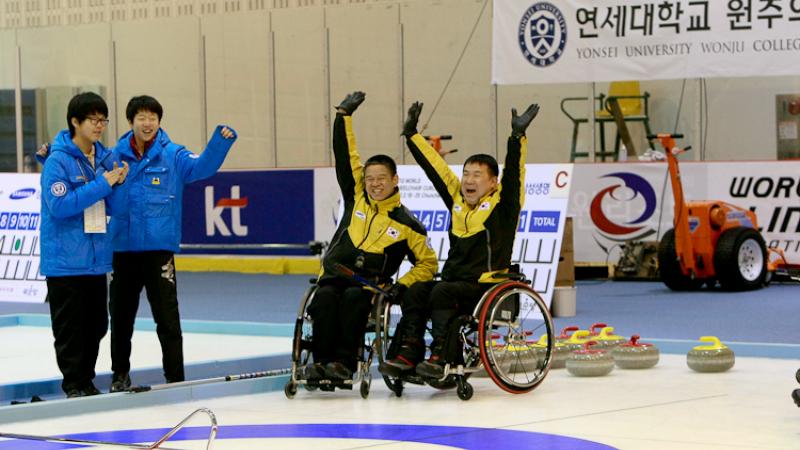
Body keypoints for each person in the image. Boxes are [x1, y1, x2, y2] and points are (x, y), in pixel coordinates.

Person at [379, 101, 540, 379]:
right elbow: (437, 169)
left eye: (477, 175)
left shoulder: (504, 207)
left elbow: (514, 174)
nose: (469, 179)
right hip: (454, 282)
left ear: (492, 183)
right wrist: (411, 134)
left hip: (484, 286)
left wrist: (516, 138)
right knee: (416, 290)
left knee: (442, 293)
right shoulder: (458, 201)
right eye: (466, 173)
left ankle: (442, 356)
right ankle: (409, 352)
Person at [304, 91, 437, 381]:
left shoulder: (409, 225)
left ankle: (344, 365)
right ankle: (320, 363)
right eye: (370, 179)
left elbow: (428, 264)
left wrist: (402, 285)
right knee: (325, 299)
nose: (375, 184)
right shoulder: (356, 197)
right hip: (333, 275)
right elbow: (345, 155)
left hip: (366, 287)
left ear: (395, 180)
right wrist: (343, 117)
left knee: (353, 299)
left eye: (381, 179)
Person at [107, 95, 237, 392]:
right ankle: (119, 376)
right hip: (122, 250)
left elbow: (202, 167)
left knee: (167, 318)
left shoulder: (174, 155)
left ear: (159, 122)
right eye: (141, 117)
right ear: (131, 122)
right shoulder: (113, 156)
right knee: (121, 319)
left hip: (159, 250)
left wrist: (220, 142)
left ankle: (175, 379)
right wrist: (47, 157)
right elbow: (88, 173)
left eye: (153, 117)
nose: (148, 122)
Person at [40, 92, 129, 398]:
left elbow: (116, 208)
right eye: (93, 119)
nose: (99, 125)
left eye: (103, 119)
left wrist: (119, 184)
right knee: (70, 329)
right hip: (65, 260)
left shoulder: (106, 158)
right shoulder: (57, 161)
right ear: (75, 122)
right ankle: (74, 384)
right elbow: (60, 205)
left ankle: (86, 381)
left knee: (96, 326)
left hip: (95, 258)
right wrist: (103, 183)